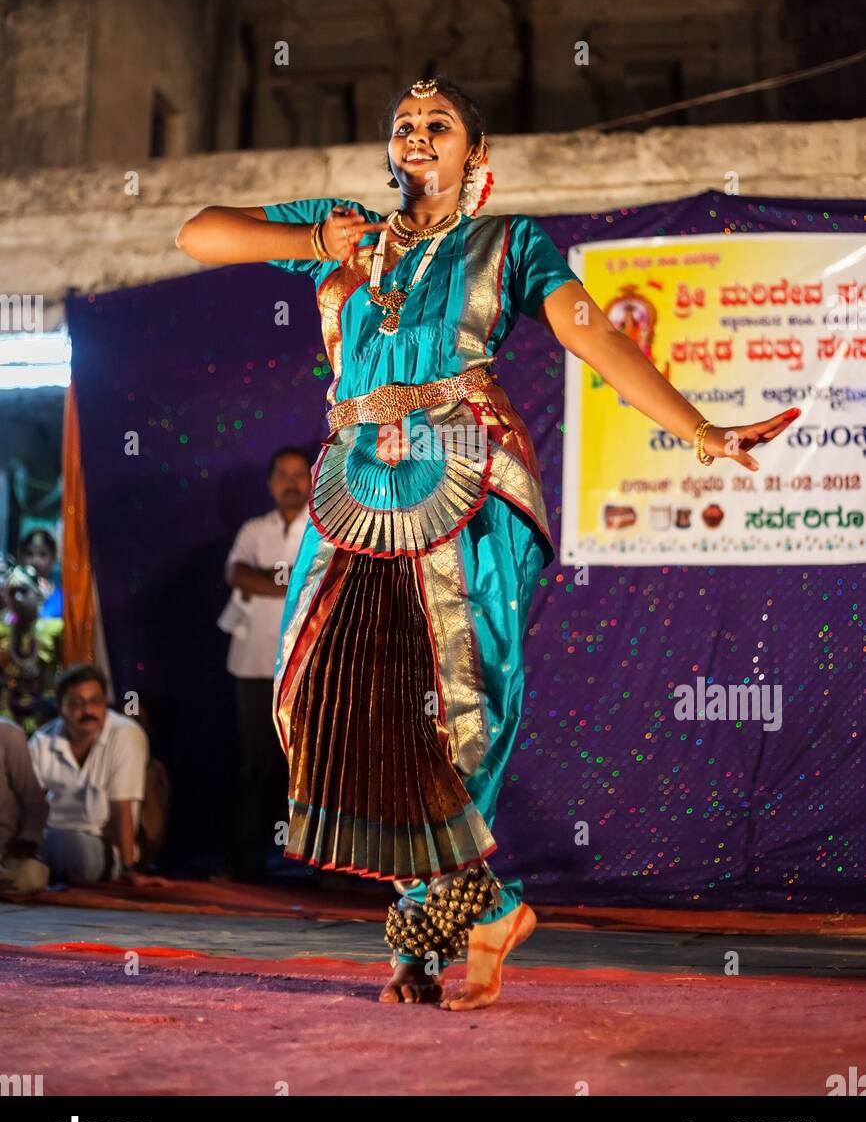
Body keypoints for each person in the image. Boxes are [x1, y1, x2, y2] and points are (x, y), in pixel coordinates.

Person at [176, 74, 801, 1011]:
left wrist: (704, 431)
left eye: (439, 123)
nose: (418, 134)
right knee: (329, 700)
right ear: (390, 153)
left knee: (458, 705)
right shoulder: (344, 230)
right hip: (353, 481)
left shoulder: (511, 245)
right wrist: (311, 241)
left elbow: (592, 337)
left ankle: (428, 942)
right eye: (404, 125)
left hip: (467, 475)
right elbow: (199, 232)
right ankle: (482, 909)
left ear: (475, 151)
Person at [221, 447, 311, 880]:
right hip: (255, 665)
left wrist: (272, 582)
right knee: (255, 764)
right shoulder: (254, 529)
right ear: (271, 482)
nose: (291, 483)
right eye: (283, 475)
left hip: (308, 666)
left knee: (307, 765)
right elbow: (236, 574)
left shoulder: (323, 525)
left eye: (299, 474)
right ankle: (248, 862)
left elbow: (324, 580)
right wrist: (292, 582)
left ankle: (306, 864)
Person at [28, 664, 151, 886]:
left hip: (99, 845)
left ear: (105, 702)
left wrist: (129, 869)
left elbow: (122, 808)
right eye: (76, 704)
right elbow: (24, 799)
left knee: (79, 854)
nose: (87, 711)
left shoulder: (125, 734)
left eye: (95, 702)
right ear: (60, 707)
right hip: (50, 834)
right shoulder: (42, 740)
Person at [0, 561, 63, 736]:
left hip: (45, 712)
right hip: (7, 710)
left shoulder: (55, 629)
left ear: (38, 594)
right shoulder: (2, 632)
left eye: (24, 591)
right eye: (13, 593)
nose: (18, 598)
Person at [0, 716, 50, 897]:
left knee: (32, 875)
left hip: (6, 854)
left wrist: (28, 839)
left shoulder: (8, 735)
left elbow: (34, 801)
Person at [19, 528, 63, 619]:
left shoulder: (62, 596)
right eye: (30, 554)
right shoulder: (16, 592)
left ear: (53, 557)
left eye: (43, 554)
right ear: (22, 557)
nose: (36, 561)